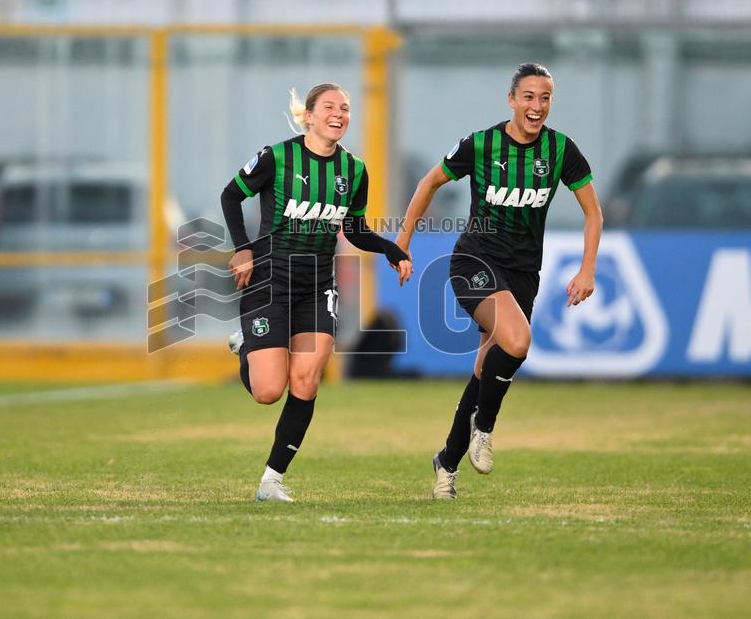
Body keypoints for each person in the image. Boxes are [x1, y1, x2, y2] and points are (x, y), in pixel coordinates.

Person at [395, 63, 603, 499]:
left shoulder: (562, 150)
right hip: (475, 259)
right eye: (528, 96)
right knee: (519, 340)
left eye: (545, 98)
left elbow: (593, 212)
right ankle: (484, 429)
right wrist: (403, 241)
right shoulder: (481, 145)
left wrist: (588, 269)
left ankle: (447, 462)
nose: (537, 106)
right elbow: (429, 182)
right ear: (511, 99)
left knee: (485, 367)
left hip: (524, 272)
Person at [220, 83, 412, 502]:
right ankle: (246, 348)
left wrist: (391, 250)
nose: (339, 114)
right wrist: (243, 249)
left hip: (317, 284)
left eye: (345, 108)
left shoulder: (354, 170)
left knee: (306, 380)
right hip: (270, 279)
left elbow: (356, 230)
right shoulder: (277, 157)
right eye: (329, 107)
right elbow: (231, 195)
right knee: (269, 391)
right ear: (308, 115)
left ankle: (272, 480)